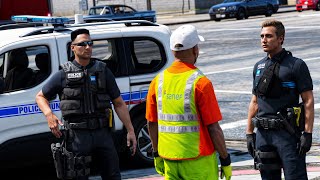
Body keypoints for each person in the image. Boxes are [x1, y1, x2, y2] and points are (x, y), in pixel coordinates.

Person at [35, 28, 137, 180]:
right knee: (77, 176)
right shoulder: (63, 74)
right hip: (77, 136)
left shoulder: (103, 71)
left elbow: (119, 103)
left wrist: (130, 130)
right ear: (73, 47)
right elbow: (40, 97)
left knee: (113, 175)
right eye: (83, 44)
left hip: (102, 133)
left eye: (90, 43)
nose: (88, 47)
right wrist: (49, 115)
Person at [146, 24, 232, 180]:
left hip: (169, 159)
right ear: (195, 50)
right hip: (198, 160)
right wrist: (225, 159)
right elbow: (213, 127)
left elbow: (152, 122)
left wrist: (156, 153)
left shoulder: (158, 81)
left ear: (173, 51)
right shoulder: (201, 83)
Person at [246, 19, 314, 180]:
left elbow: (308, 101)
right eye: (262, 36)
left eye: (269, 36)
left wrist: (308, 133)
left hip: (287, 135)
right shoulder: (258, 66)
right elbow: (254, 101)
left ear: (281, 38)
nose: (264, 40)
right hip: (263, 135)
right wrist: (249, 133)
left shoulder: (296, 65)